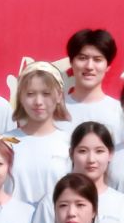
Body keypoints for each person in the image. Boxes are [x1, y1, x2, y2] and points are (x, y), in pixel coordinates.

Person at [7, 65, 74, 204]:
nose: (38, 102)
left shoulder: (70, 143)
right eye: (30, 94)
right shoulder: (4, 142)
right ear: (20, 97)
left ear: (59, 96)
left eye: (46, 94)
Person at [60, 28, 124, 138]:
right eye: (82, 58)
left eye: (97, 59)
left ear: (107, 66)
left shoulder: (121, 112)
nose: (89, 66)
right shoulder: (55, 110)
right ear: (71, 62)